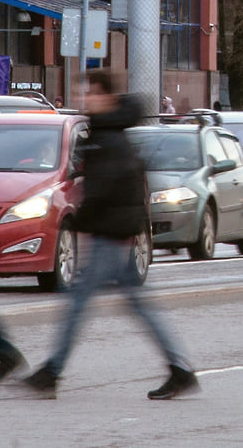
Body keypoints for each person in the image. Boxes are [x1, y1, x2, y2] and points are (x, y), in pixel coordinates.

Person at [22, 69, 197, 400]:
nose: (85, 98)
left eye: (91, 92)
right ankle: (180, 369)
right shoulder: (107, 132)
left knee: (77, 303)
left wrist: (81, 226)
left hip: (108, 233)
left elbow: (101, 190)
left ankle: (52, 372)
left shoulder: (108, 139)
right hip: (116, 231)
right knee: (135, 305)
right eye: (84, 92)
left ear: (108, 98)